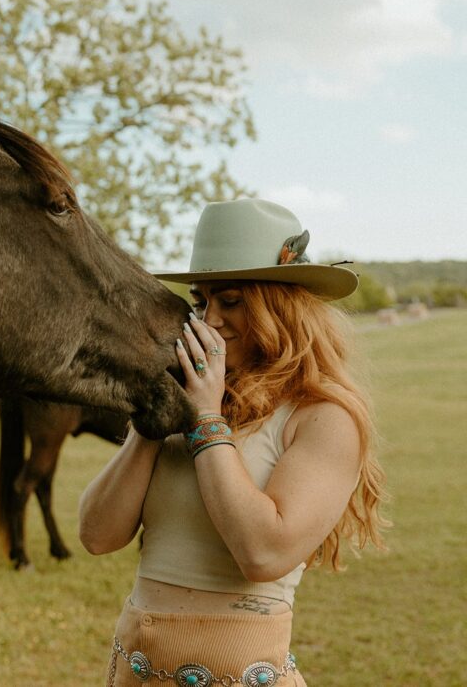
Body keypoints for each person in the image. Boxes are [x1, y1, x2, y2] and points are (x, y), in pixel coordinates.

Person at [79, 198, 387, 687]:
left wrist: (203, 419)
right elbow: (97, 535)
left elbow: (263, 553)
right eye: (202, 300)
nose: (210, 320)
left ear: (281, 305)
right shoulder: (200, 395)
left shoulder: (324, 416)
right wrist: (153, 423)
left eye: (232, 300)